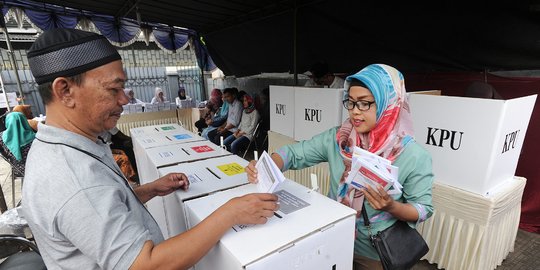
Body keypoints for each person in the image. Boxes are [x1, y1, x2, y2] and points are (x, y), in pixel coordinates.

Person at [21, 28, 278, 270]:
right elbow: (146, 264)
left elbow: (103, 208)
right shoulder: (73, 177)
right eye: (114, 89)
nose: (124, 99)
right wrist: (231, 212)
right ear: (65, 91)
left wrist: (148, 190)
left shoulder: (71, 148)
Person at [245, 64, 434, 269]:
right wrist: (266, 166)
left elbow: (423, 209)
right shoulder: (339, 139)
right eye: (351, 102)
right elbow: (293, 154)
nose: (354, 112)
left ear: (389, 103)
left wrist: (391, 206)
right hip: (332, 237)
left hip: (374, 254)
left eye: (364, 104)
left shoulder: (413, 156)